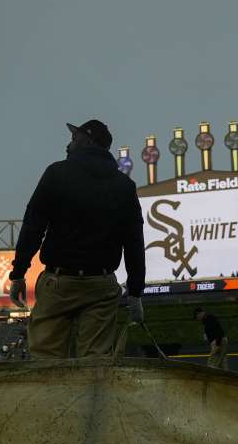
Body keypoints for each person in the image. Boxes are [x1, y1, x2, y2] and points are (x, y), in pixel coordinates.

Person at [9, 120, 146, 358]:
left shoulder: (57, 173)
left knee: (46, 361)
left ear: (88, 141)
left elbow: (33, 226)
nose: (68, 144)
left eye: (74, 138)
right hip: (100, 286)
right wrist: (135, 291)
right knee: (94, 366)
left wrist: (19, 272)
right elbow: (133, 241)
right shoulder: (124, 185)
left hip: (59, 282)